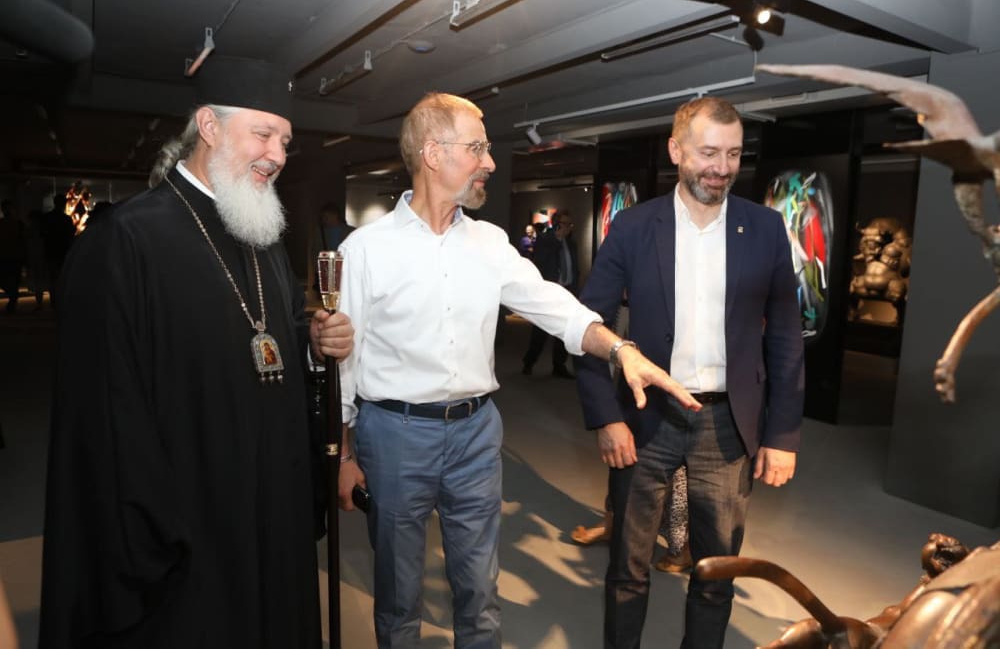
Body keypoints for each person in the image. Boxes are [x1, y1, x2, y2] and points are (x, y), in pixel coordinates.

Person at [334, 92, 700, 649]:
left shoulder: (490, 243)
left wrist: (620, 350)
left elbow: (557, 308)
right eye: (477, 148)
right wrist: (343, 454)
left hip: (477, 437)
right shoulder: (365, 250)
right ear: (432, 153)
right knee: (399, 594)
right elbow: (345, 360)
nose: (490, 162)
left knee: (480, 592)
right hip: (395, 436)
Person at [38, 57, 354, 649]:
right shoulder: (125, 241)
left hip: (270, 504)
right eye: (263, 134)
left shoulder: (262, 236)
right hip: (187, 517)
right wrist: (156, 527)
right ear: (209, 127)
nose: (278, 154)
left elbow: (274, 339)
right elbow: (104, 413)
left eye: (285, 141)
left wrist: (312, 345)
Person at [575, 95, 804, 649]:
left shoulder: (766, 227)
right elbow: (588, 326)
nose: (721, 168)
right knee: (628, 569)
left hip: (727, 424)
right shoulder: (633, 227)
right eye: (708, 153)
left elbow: (785, 336)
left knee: (715, 574)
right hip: (645, 414)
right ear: (676, 150)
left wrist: (781, 435)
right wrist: (607, 417)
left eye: (733, 154)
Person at [522, 211, 579, 378]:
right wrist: (557, 240)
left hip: (567, 291)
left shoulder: (572, 244)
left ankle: (559, 365)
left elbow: (574, 266)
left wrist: (575, 286)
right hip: (549, 291)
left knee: (564, 331)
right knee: (541, 330)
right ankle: (529, 362)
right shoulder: (545, 240)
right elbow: (540, 261)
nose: (569, 227)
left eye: (570, 224)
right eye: (565, 224)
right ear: (557, 224)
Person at [0, 201, 26, 314]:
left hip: (12, 256)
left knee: (12, 280)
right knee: (11, 280)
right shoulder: (17, 223)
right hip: (9, 256)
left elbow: (22, 240)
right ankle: (12, 299)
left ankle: (12, 300)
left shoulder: (17, 223)